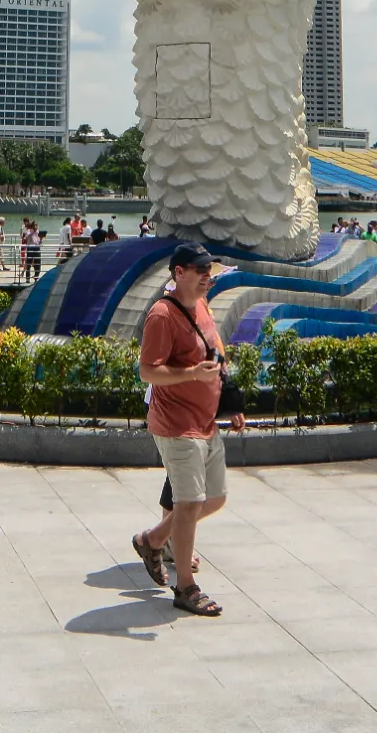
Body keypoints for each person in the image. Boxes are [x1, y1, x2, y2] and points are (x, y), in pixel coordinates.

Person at [133, 243, 241, 618]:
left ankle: (153, 539)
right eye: (200, 271)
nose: (207, 277)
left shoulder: (202, 305)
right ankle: (185, 588)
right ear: (178, 273)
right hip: (177, 424)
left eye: (209, 271)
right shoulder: (162, 315)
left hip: (206, 419)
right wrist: (191, 375)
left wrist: (230, 400)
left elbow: (214, 349)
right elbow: (149, 371)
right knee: (190, 502)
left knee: (215, 499)